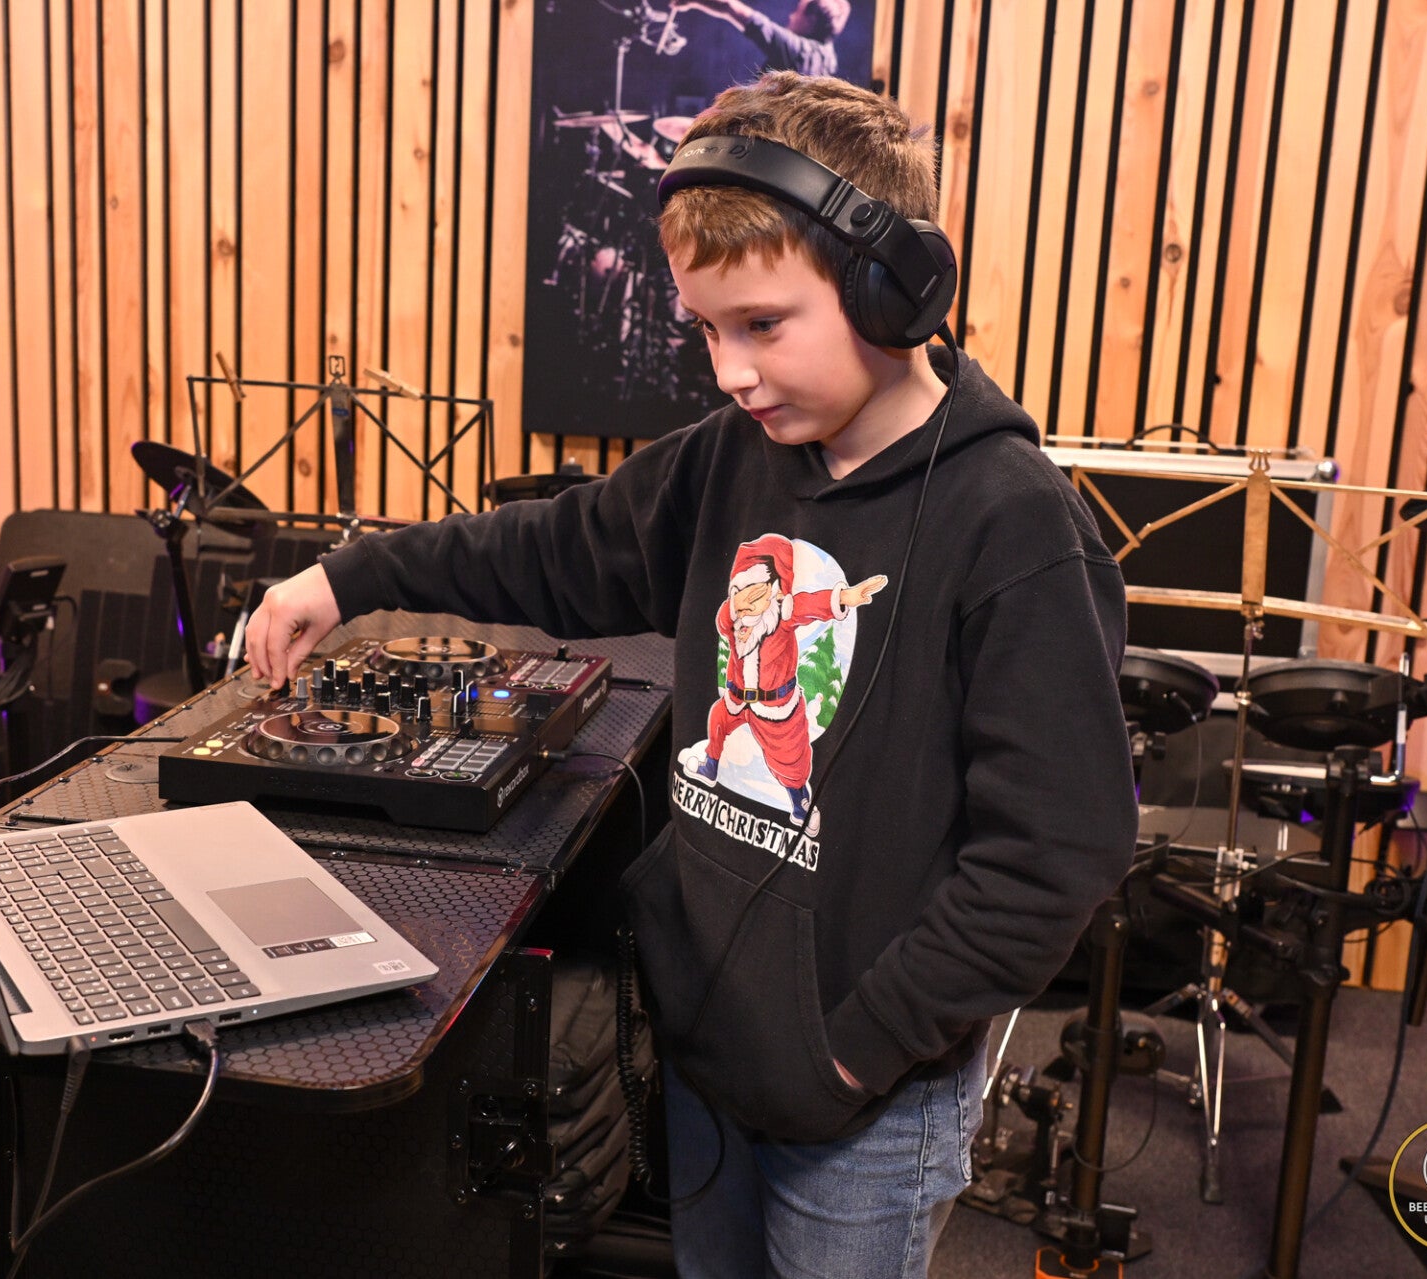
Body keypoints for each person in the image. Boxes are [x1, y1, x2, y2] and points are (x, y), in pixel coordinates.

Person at [246, 72, 1137, 1279]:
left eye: (761, 325)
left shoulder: (1013, 523)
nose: (729, 371)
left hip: (863, 1103)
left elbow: (1057, 850)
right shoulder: (728, 459)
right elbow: (549, 547)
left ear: (894, 291)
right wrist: (346, 578)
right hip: (712, 1046)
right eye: (706, 331)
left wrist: (854, 1048)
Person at [676, 0, 851, 78]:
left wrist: (692, 1)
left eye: (797, 12)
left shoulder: (797, 50)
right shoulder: (829, 60)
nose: (791, 16)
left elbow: (730, 6)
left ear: (810, 21)